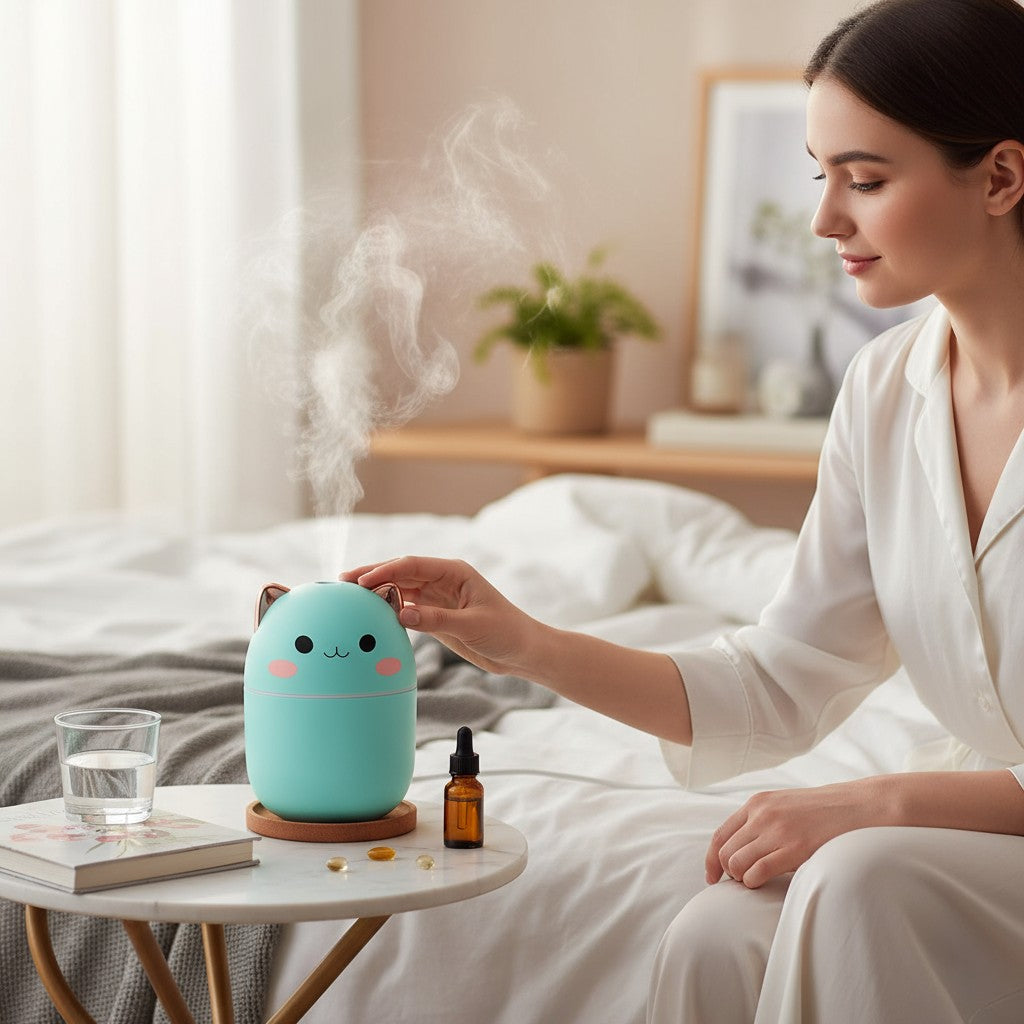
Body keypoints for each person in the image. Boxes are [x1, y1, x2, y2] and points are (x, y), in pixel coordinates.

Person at [342, 0, 1024, 1018]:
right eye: (821, 176)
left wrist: (875, 801)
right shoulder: (885, 389)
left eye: (867, 180)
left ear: (1001, 177)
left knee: (859, 877)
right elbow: (780, 679)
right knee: (716, 928)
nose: (825, 221)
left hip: (967, 832)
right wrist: (524, 642)